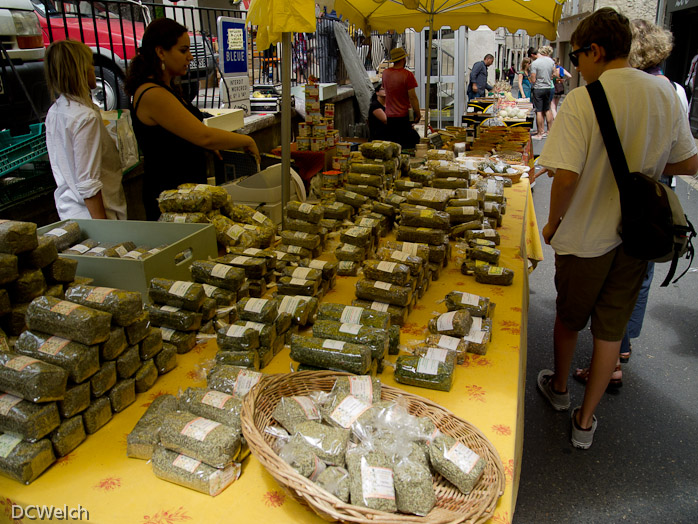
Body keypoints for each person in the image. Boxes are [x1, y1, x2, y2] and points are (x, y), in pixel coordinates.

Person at [536, 7, 697, 450]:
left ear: (597, 50)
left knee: (569, 318)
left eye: (579, 56)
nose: (576, 66)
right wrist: (644, 161)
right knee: (610, 329)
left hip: (586, 234)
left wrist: (551, 224)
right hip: (637, 234)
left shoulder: (584, 100)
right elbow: (687, 161)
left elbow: (565, 176)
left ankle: (560, 389)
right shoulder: (666, 94)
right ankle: (585, 421)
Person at [573, 18, 691, 389]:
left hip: (603, 211)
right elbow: (687, 159)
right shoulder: (673, 91)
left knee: (583, 298)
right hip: (652, 209)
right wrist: (650, 168)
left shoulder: (603, 93)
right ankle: (619, 351)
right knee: (635, 281)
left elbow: (575, 167)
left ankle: (581, 373)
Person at [125, 18, 259, 220]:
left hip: (188, 196)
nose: (189, 57)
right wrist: (246, 140)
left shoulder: (168, 88)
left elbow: (186, 131)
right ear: (161, 52)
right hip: (171, 200)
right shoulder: (152, 94)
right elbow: (203, 136)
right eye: (183, 50)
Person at [44, 40, 127, 220]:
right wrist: (103, 227)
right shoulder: (85, 117)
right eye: (90, 64)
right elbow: (88, 182)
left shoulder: (57, 110)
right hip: (98, 214)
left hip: (70, 210)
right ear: (80, 70)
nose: (93, 68)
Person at [381, 47, 421, 149]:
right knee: (408, 145)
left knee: (394, 148)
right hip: (403, 117)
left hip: (389, 117)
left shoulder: (385, 74)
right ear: (403, 59)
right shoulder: (407, 75)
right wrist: (418, 113)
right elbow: (412, 97)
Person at [529, 45, 555, 139]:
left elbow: (533, 78)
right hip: (548, 87)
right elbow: (555, 73)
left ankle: (540, 132)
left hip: (538, 88)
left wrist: (533, 81)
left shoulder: (535, 63)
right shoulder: (551, 61)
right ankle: (549, 131)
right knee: (547, 109)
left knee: (539, 111)